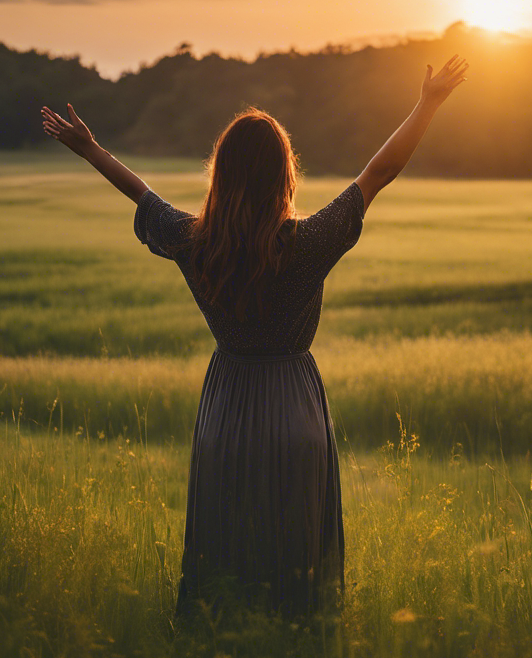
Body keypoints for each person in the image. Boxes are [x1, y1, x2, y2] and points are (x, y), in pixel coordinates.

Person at [41, 55, 468, 616]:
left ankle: (224, 657)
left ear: (221, 173)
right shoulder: (308, 243)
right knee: (296, 569)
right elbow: (378, 172)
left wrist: (91, 150)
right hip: (295, 406)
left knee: (228, 556)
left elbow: (143, 197)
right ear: (285, 175)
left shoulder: (196, 242)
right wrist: (428, 103)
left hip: (228, 409)